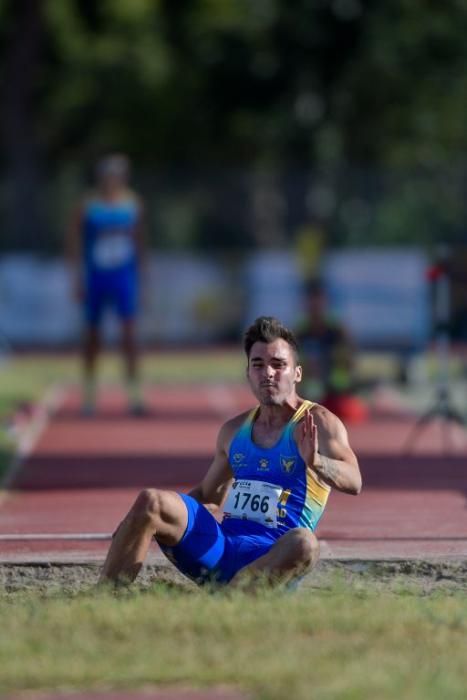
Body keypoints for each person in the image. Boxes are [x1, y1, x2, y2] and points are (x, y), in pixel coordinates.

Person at [100, 316, 362, 589]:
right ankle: (102, 601)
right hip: (221, 551)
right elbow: (208, 496)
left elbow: (355, 481)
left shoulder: (318, 422)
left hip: (273, 559)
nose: (268, 373)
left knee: (306, 543)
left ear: (297, 373)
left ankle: (231, 599)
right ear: (248, 373)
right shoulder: (234, 431)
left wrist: (317, 462)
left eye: (278, 365)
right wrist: (140, 521)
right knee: (151, 500)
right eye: (258, 365)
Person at [67, 153, 147, 415]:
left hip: (124, 277)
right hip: (96, 278)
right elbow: (75, 242)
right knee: (92, 337)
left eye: (119, 175)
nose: (113, 180)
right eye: (109, 175)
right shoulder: (88, 205)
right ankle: (89, 396)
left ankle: (134, 396)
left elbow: (140, 243)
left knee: (129, 336)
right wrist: (77, 277)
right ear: (101, 177)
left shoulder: (132, 203)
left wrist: (143, 280)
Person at [297, 279, 367, 423]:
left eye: (318, 301)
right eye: (311, 302)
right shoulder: (301, 331)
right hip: (309, 394)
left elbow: (351, 361)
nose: (314, 306)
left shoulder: (337, 331)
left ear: (324, 303)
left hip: (337, 392)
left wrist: (329, 363)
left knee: (344, 415)